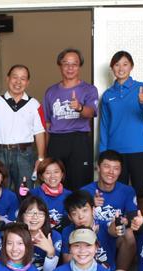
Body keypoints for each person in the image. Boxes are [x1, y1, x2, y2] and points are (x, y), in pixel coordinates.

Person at [99, 51, 143, 215]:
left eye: (125, 64)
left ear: (131, 66)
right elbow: (104, 125)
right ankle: (120, 224)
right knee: (118, 191)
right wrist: (102, 154)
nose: (121, 68)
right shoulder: (108, 95)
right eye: (117, 65)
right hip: (115, 152)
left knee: (142, 192)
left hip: (139, 149)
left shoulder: (141, 88)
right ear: (112, 68)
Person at [0, 64, 45, 190]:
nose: (18, 82)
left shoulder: (34, 104)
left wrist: (41, 158)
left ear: (27, 82)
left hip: (24, 154)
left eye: (23, 78)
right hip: (0, 153)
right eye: (14, 77)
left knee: (25, 191)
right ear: (7, 79)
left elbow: (39, 132)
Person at [42, 48, 98, 191]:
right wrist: (45, 152)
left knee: (81, 184)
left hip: (79, 140)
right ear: (60, 66)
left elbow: (91, 112)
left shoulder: (89, 89)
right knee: (55, 184)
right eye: (66, 63)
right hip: (56, 141)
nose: (70, 68)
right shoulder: (50, 91)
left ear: (79, 66)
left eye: (74, 64)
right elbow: (47, 124)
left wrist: (79, 107)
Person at [81, 150, 139, 271]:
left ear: (120, 171)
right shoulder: (85, 191)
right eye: (107, 166)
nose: (111, 172)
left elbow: (133, 217)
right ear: (98, 167)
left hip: (113, 232)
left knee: (128, 234)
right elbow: (75, 217)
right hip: (92, 232)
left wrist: (125, 221)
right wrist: (90, 204)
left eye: (116, 168)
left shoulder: (127, 191)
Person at [60, 190, 133, 271]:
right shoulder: (67, 231)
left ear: (93, 210)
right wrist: (88, 236)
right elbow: (67, 261)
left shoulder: (104, 225)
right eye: (74, 213)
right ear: (69, 217)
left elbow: (112, 229)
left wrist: (117, 225)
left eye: (84, 210)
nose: (81, 216)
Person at [18, 196, 62, 271]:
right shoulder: (14, 235)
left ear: (46, 217)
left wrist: (50, 252)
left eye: (40, 213)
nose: (35, 217)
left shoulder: (54, 236)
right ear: (22, 215)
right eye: (30, 213)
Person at [30, 157, 72, 229]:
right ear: (41, 177)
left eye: (56, 172)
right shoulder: (33, 194)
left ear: (62, 174)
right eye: (48, 173)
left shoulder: (70, 195)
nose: (52, 176)